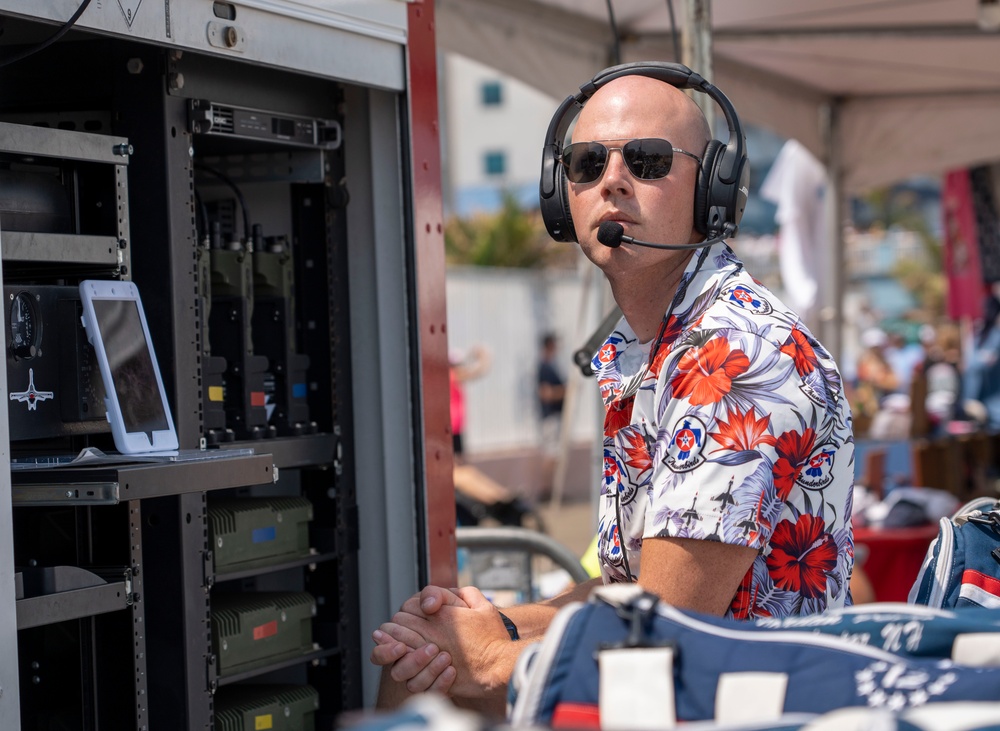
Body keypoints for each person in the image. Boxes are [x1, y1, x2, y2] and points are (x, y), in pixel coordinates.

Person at [370, 64, 855, 713]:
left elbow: (662, 633)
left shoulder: (732, 359)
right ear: (559, 193)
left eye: (649, 161)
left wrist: (485, 654)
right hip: (692, 685)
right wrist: (496, 623)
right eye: (588, 162)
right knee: (421, 658)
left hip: (745, 704)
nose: (614, 180)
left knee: (427, 676)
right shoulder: (648, 350)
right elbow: (629, 590)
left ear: (714, 187)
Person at [536, 332, 566, 495]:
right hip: (550, 417)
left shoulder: (550, 365)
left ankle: (551, 489)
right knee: (550, 453)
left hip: (554, 416)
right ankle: (547, 490)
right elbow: (546, 393)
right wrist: (566, 391)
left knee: (554, 454)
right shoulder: (545, 367)